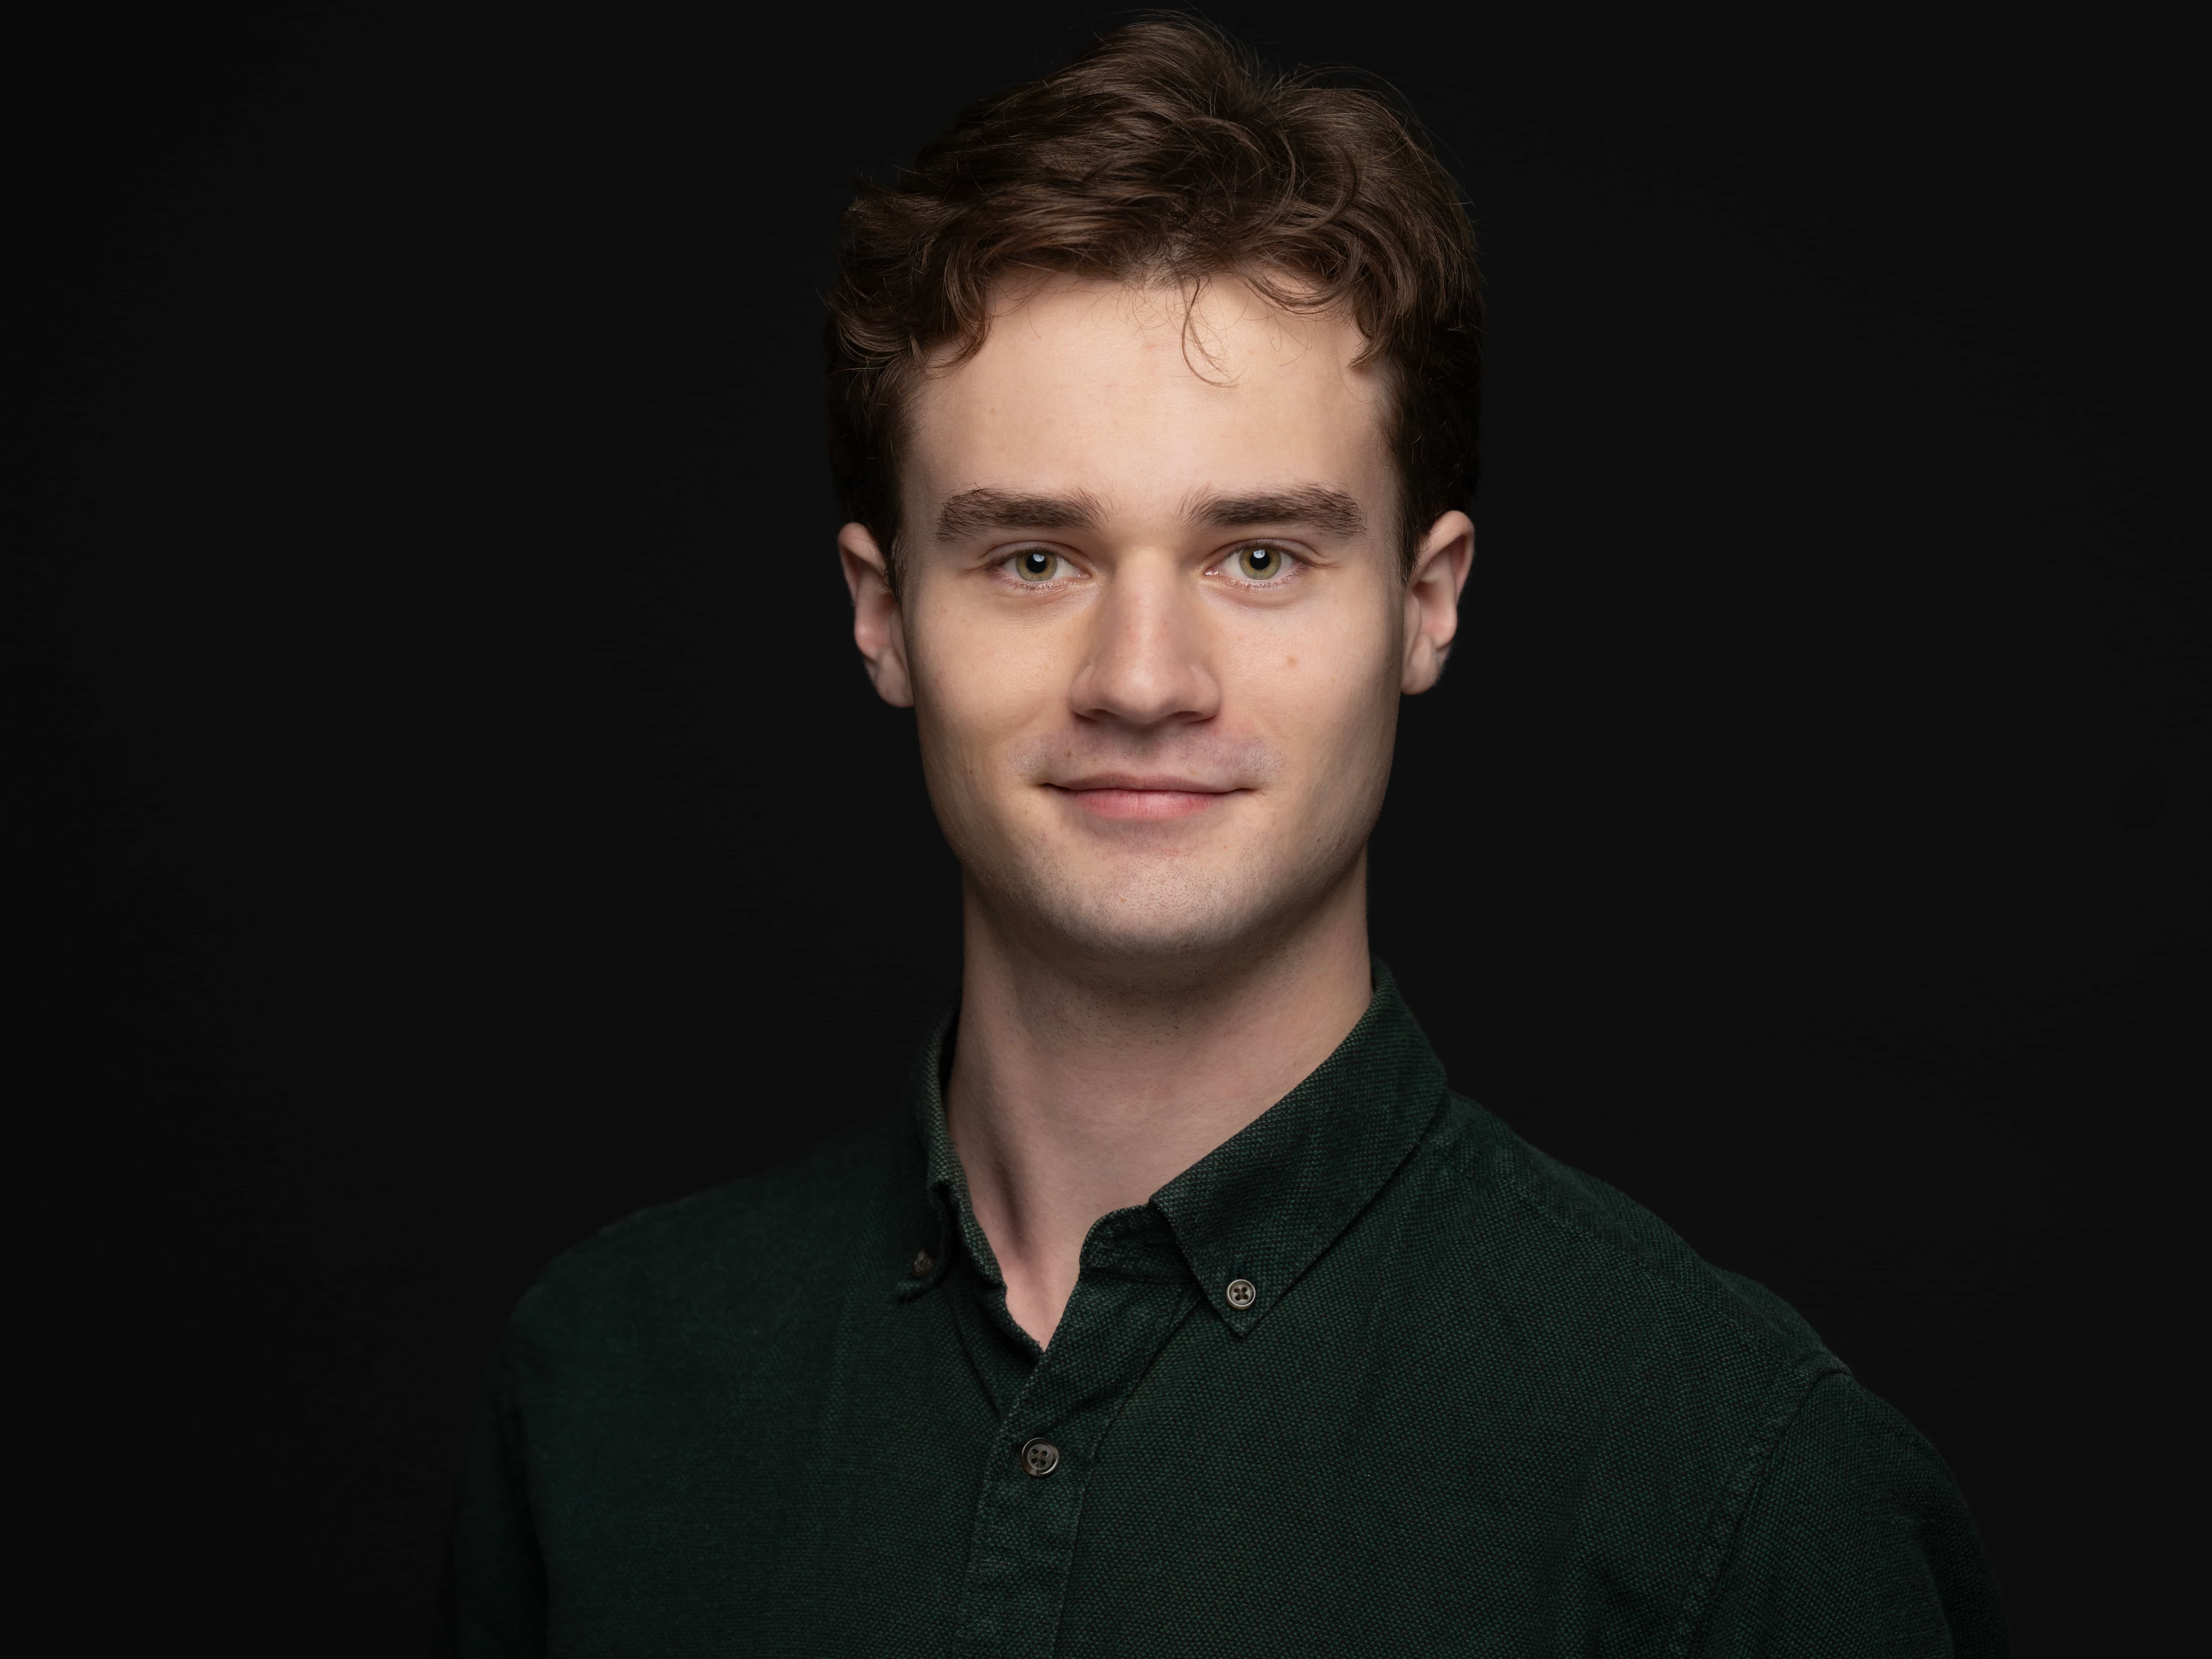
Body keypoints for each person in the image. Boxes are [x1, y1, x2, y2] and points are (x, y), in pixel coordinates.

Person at [453, 18, 2005, 1654]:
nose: (1143, 681)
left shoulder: (1736, 1494)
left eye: (1259, 557)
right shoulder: (606, 1391)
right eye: (1034, 560)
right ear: (882, 613)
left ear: (1425, 604)